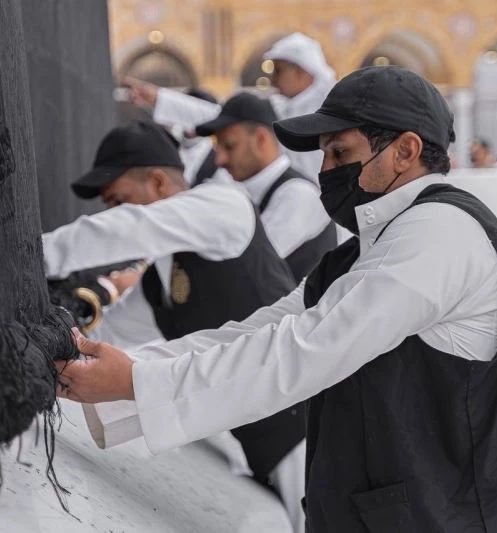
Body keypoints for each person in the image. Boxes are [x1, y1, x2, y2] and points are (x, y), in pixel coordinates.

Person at [56, 67, 497, 533]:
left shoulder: (440, 232)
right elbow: (257, 332)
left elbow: (305, 349)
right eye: (323, 155)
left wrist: (135, 382)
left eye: (340, 154)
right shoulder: (364, 253)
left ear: (406, 151)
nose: (326, 171)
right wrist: (128, 375)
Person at [43, 120, 309, 529]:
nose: (114, 214)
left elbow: (132, 229)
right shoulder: (159, 284)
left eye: (120, 201)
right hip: (255, 444)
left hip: (307, 432)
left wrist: (35, 257)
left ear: (158, 183)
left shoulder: (225, 205)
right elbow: (108, 335)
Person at [124, 32, 336, 185]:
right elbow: (221, 116)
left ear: (301, 72)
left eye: (279, 71)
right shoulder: (282, 108)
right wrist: (160, 98)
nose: (272, 79)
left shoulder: (332, 109)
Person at [193, 91, 336, 280]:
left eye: (229, 146)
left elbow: (244, 265)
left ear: (261, 139)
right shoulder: (244, 190)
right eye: (217, 148)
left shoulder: (298, 195)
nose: (219, 159)